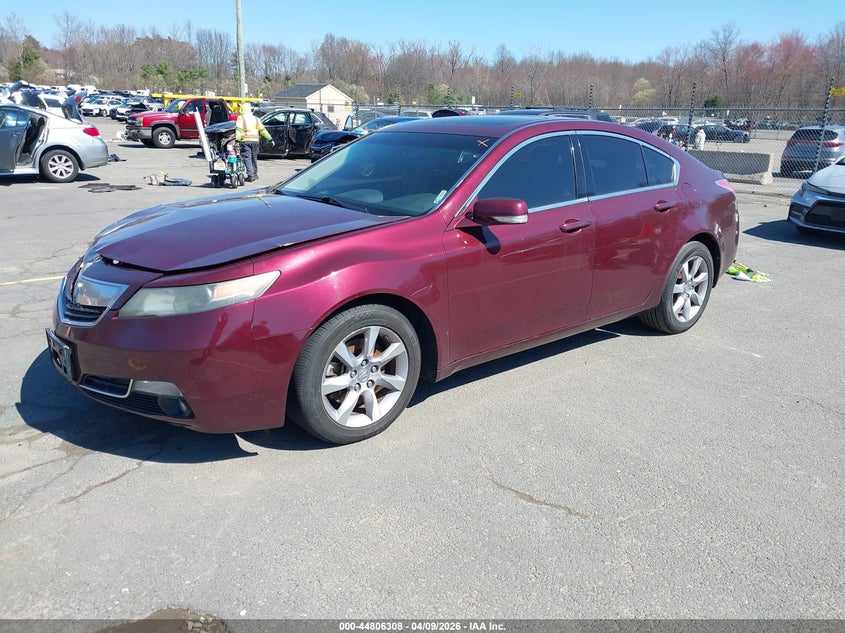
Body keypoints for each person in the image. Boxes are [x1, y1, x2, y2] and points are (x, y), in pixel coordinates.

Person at [235, 102, 272, 182]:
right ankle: (255, 174)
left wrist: (237, 140)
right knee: (254, 158)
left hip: (245, 141)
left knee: (247, 158)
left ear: (242, 109)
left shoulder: (241, 118)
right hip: (255, 141)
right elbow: (262, 130)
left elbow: (239, 129)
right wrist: (270, 138)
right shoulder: (256, 118)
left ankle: (250, 175)